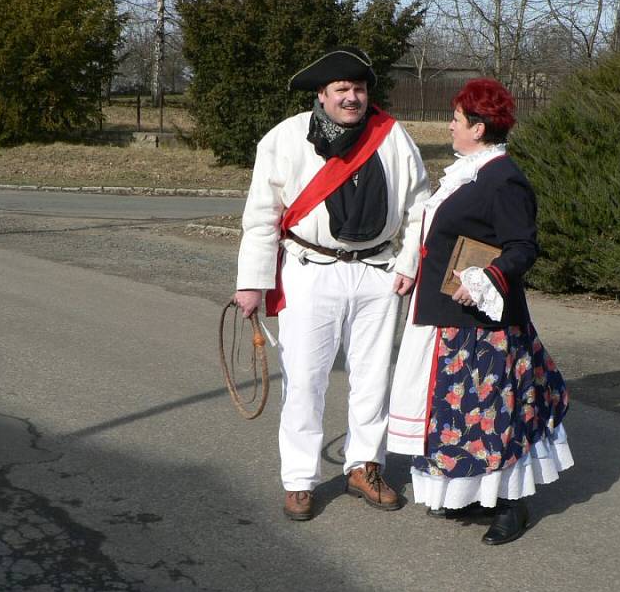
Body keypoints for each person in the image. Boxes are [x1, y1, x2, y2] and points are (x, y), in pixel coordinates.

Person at [233, 46, 430, 521]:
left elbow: (421, 205)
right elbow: (262, 217)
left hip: (378, 273)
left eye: (359, 89)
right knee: (304, 378)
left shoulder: (392, 137)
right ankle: (300, 479)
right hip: (310, 270)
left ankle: (365, 465)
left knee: (373, 378)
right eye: (342, 89)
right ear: (321, 95)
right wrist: (252, 282)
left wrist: (407, 263)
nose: (352, 98)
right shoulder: (284, 138)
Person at [386, 78, 573, 544]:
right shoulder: (471, 170)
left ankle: (513, 506)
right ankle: (470, 493)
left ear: (478, 126)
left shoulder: (502, 178)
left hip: (482, 326)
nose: (450, 125)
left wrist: (488, 278)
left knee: (492, 415)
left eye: (456, 119)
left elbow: (522, 247)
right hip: (449, 317)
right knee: (458, 416)